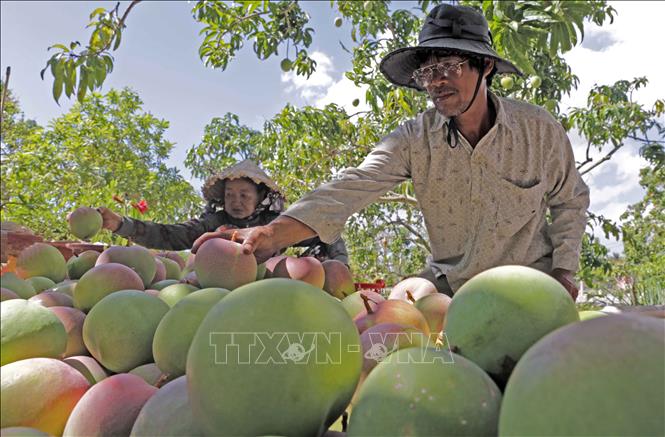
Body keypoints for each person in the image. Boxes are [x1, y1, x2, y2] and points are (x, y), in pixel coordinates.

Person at [192, 4, 589, 300]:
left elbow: (571, 200)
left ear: (484, 66)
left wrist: (564, 271)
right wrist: (271, 233)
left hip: (532, 283)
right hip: (453, 286)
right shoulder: (414, 140)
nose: (436, 82)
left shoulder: (537, 130)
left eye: (448, 66)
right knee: (396, 307)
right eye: (427, 73)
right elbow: (349, 187)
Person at [98, 159, 349, 264]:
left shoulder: (276, 226)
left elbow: (325, 232)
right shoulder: (213, 223)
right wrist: (121, 224)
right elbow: (169, 235)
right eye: (230, 195)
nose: (236, 202)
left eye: (244, 195)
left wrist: (337, 266)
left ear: (261, 197)